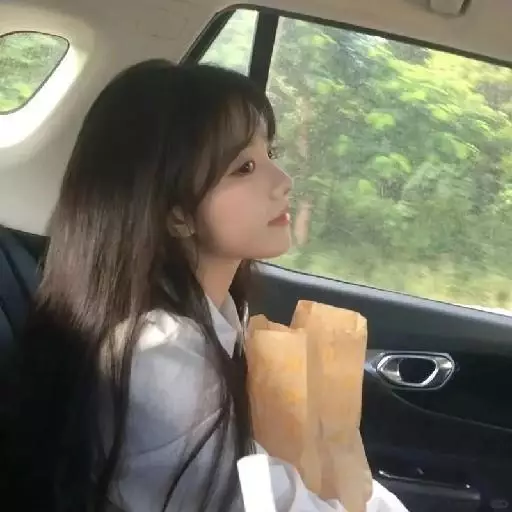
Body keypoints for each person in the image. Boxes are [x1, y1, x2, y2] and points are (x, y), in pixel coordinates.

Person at [6, 60, 408, 512]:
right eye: (245, 167)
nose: (283, 182)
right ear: (177, 215)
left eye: (270, 154)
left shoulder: (212, 321)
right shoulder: (159, 355)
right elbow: (260, 503)